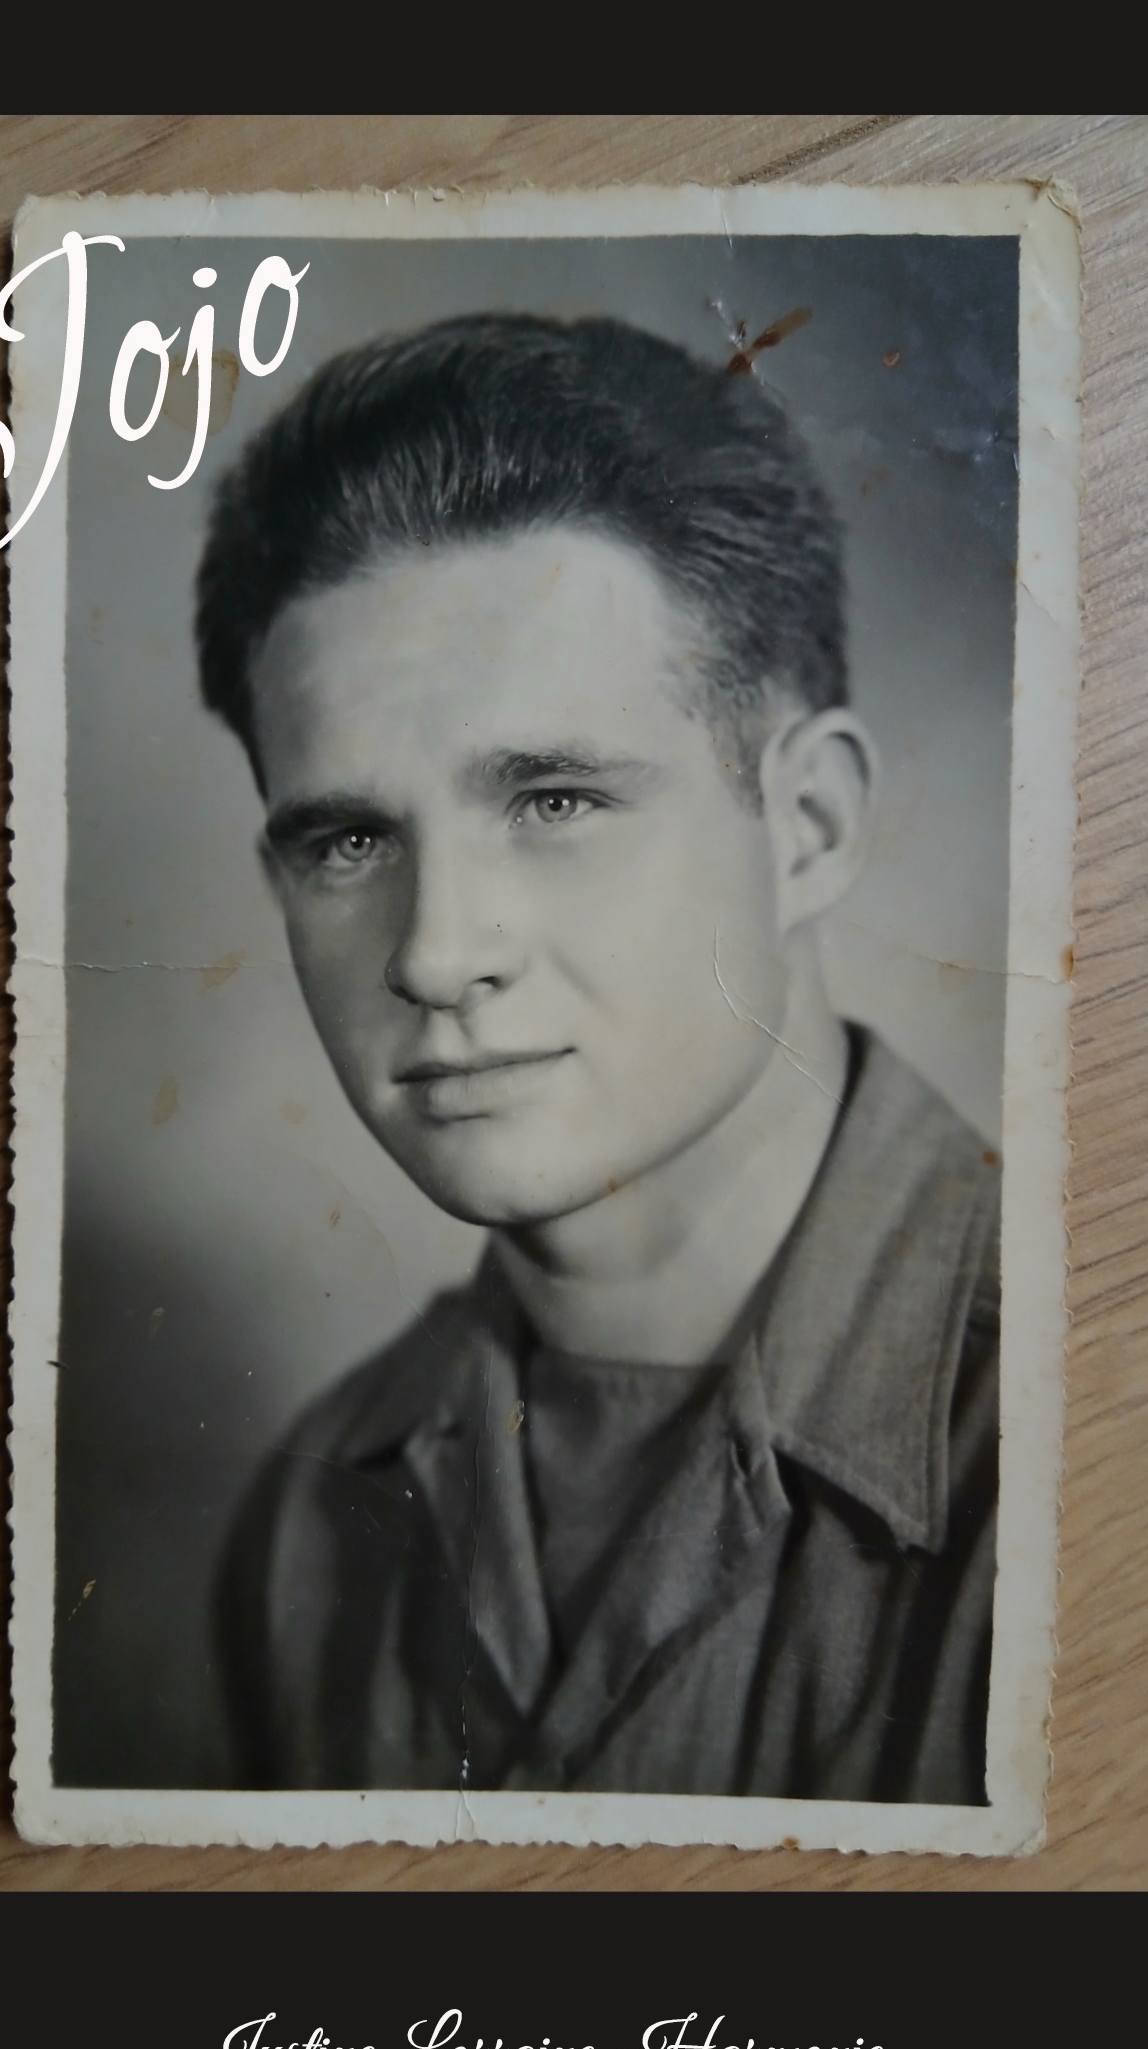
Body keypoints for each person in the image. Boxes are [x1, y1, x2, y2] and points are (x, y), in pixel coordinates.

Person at [195, 314, 999, 1804]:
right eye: (348, 840)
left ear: (808, 828)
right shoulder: (310, 1531)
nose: (436, 954)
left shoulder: (1109, 1437)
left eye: (554, 801)